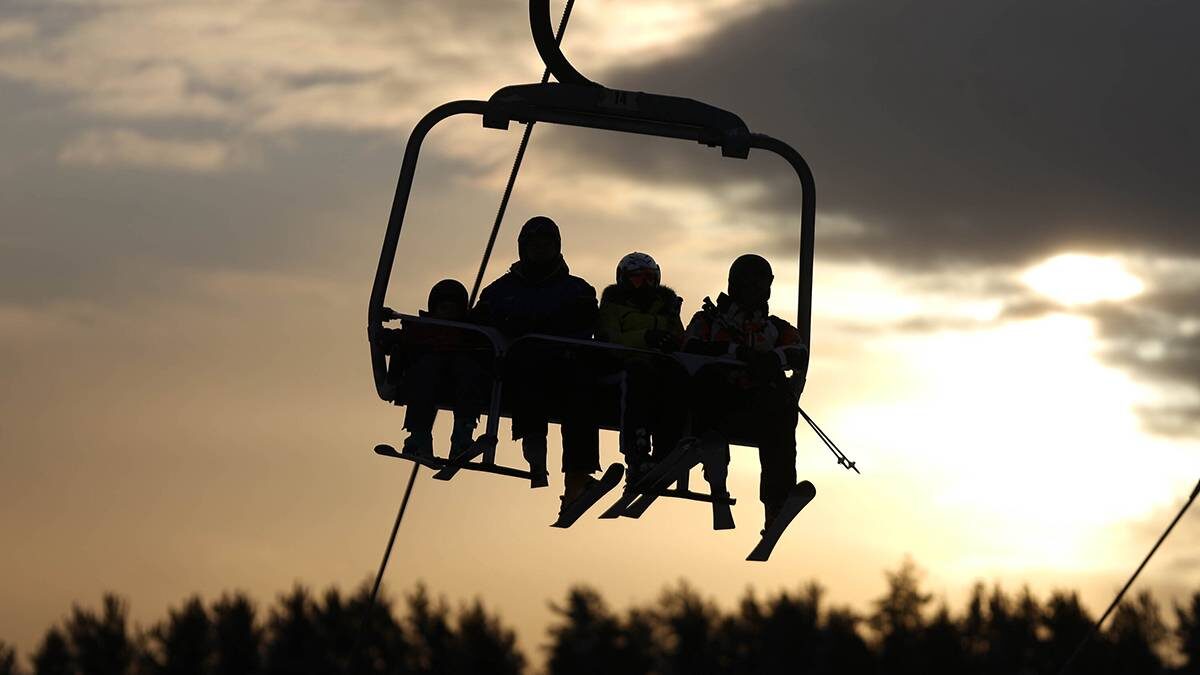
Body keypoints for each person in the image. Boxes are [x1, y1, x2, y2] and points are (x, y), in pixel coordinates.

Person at [472, 216, 601, 508]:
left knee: (581, 389)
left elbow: (585, 321)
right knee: (529, 365)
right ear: (523, 249)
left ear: (557, 248)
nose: (540, 251)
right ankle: (535, 455)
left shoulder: (577, 290)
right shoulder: (500, 291)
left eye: (546, 245)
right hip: (520, 370)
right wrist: (509, 325)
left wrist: (531, 325)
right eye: (534, 245)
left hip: (564, 368)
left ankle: (576, 481)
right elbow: (481, 322)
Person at [683, 254, 808, 530]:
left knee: (781, 405)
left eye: (763, 285)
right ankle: (715, 464)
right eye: (752, 285)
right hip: (717, 407)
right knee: (708, 378)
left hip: (754, 410)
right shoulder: (709, 321)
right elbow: (689, 347)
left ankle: (776, 501)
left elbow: (799, 352)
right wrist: (733, 353)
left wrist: (773, 359)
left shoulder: (774, 327)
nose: (758, 292)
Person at [595, 252, 688, 480]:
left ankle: (666, 451)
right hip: (622, 369)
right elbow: (609, 340)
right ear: (624, 280)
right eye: (637, 278)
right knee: (639, 375)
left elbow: (681, 341)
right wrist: (647, 337)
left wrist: (671, 340)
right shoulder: (613, 307)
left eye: (649, 278)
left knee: (676, 378)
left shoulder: (667, 309)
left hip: (660, 369)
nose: (644, 284)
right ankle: (636, 453)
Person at [392, 279, 488, 459]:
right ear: (434, 309)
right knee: (424, 373)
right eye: (444, 308)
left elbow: (483, 347)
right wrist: (390, 338)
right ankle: (419, 436)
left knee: (468, 372)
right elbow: (405, 337)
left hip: (460, 378)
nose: (449, 314)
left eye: (454, 309)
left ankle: (462, 435)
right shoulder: (423, 327)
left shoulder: (470, 330)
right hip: (431, 376)